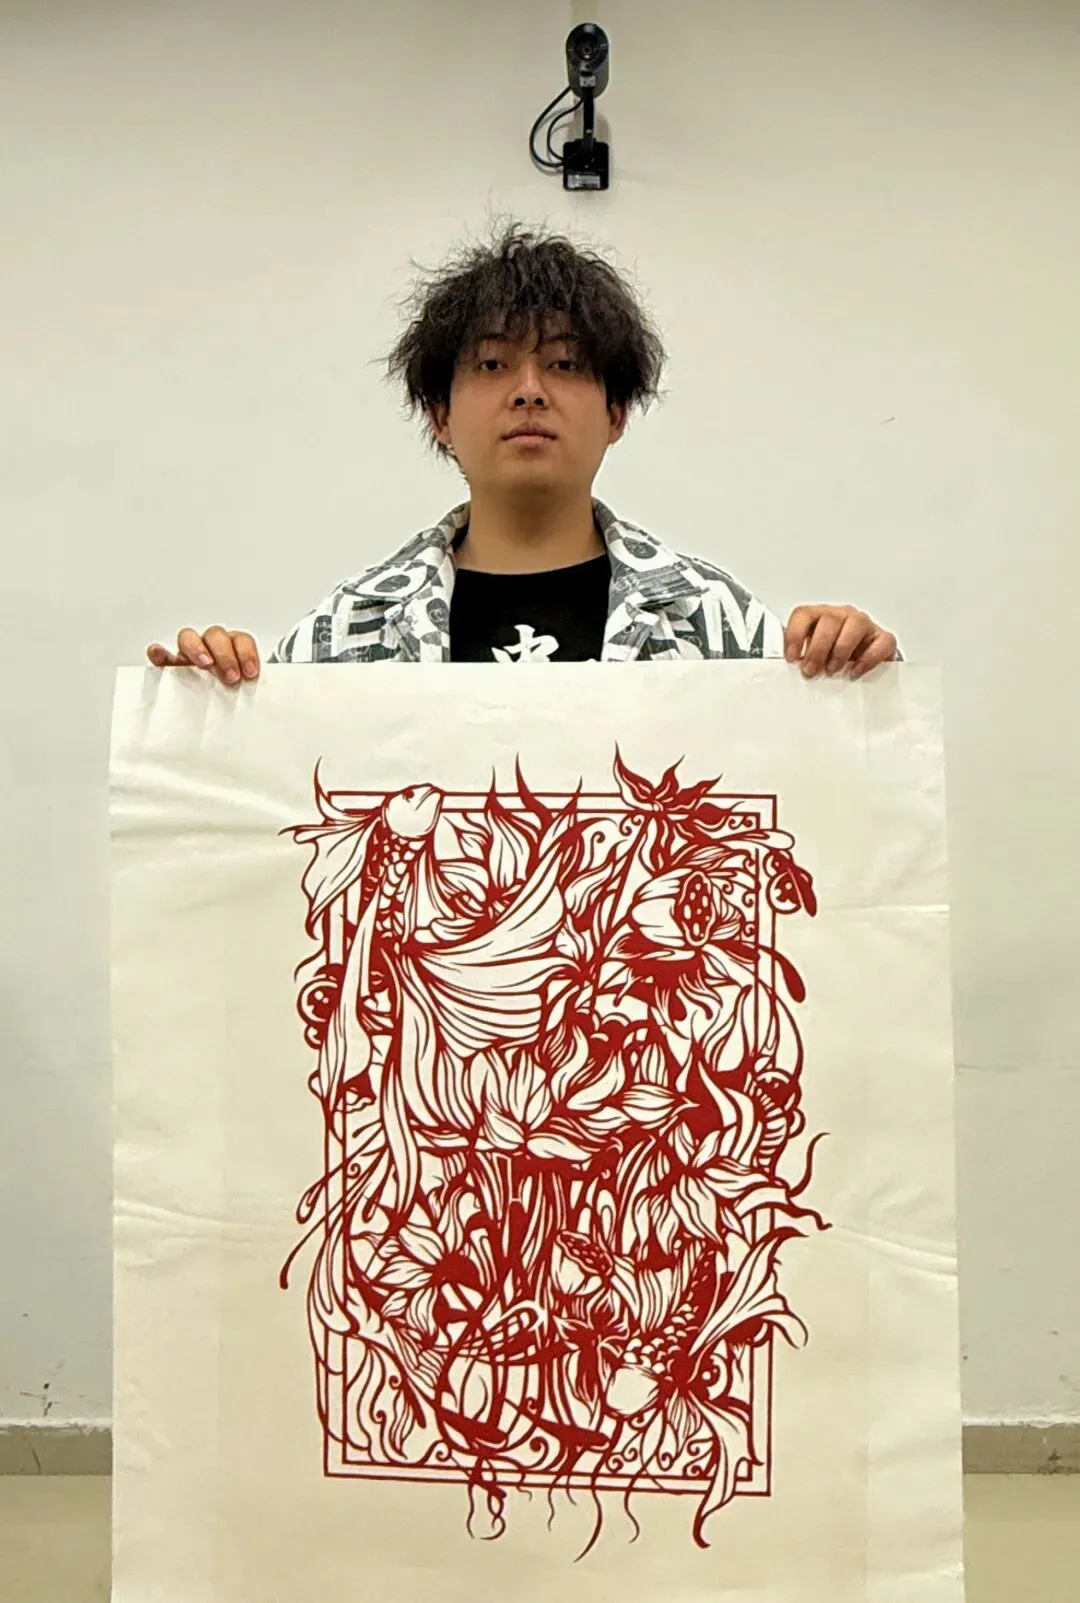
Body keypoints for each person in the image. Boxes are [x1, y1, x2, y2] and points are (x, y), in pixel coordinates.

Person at [147, 223, 898, 679]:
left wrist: (854, 668)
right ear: (441, 415)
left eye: (566, 364)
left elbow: (820, 799)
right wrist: (212, 704)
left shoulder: (708, 617)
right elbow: (263, 823)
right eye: (492, 363)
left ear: (616, 413)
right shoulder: (351, 627)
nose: (529, 391)